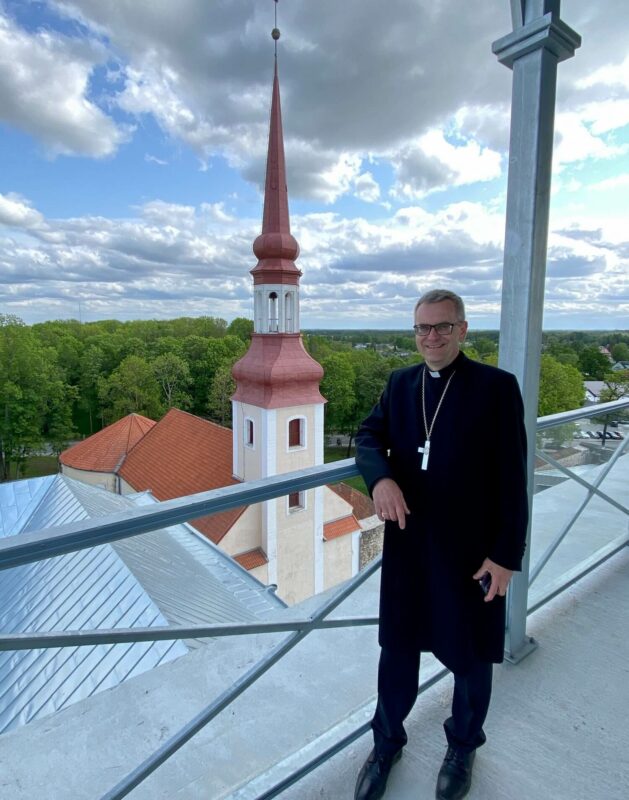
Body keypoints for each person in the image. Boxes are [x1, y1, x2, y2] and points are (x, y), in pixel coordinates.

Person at [353, 289, 528, 800]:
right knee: (397, 653)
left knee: (471, 659)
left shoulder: (497, 388)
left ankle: (463, 746)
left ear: (462, 330)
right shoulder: (400, 383)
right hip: (410, 548)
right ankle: (386, 743)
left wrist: (505, 555)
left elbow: (513, 479)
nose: (431, 337)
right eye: (422, 328)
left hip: (472, 552)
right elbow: (368, 436)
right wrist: (380, 478)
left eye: (442, 327)